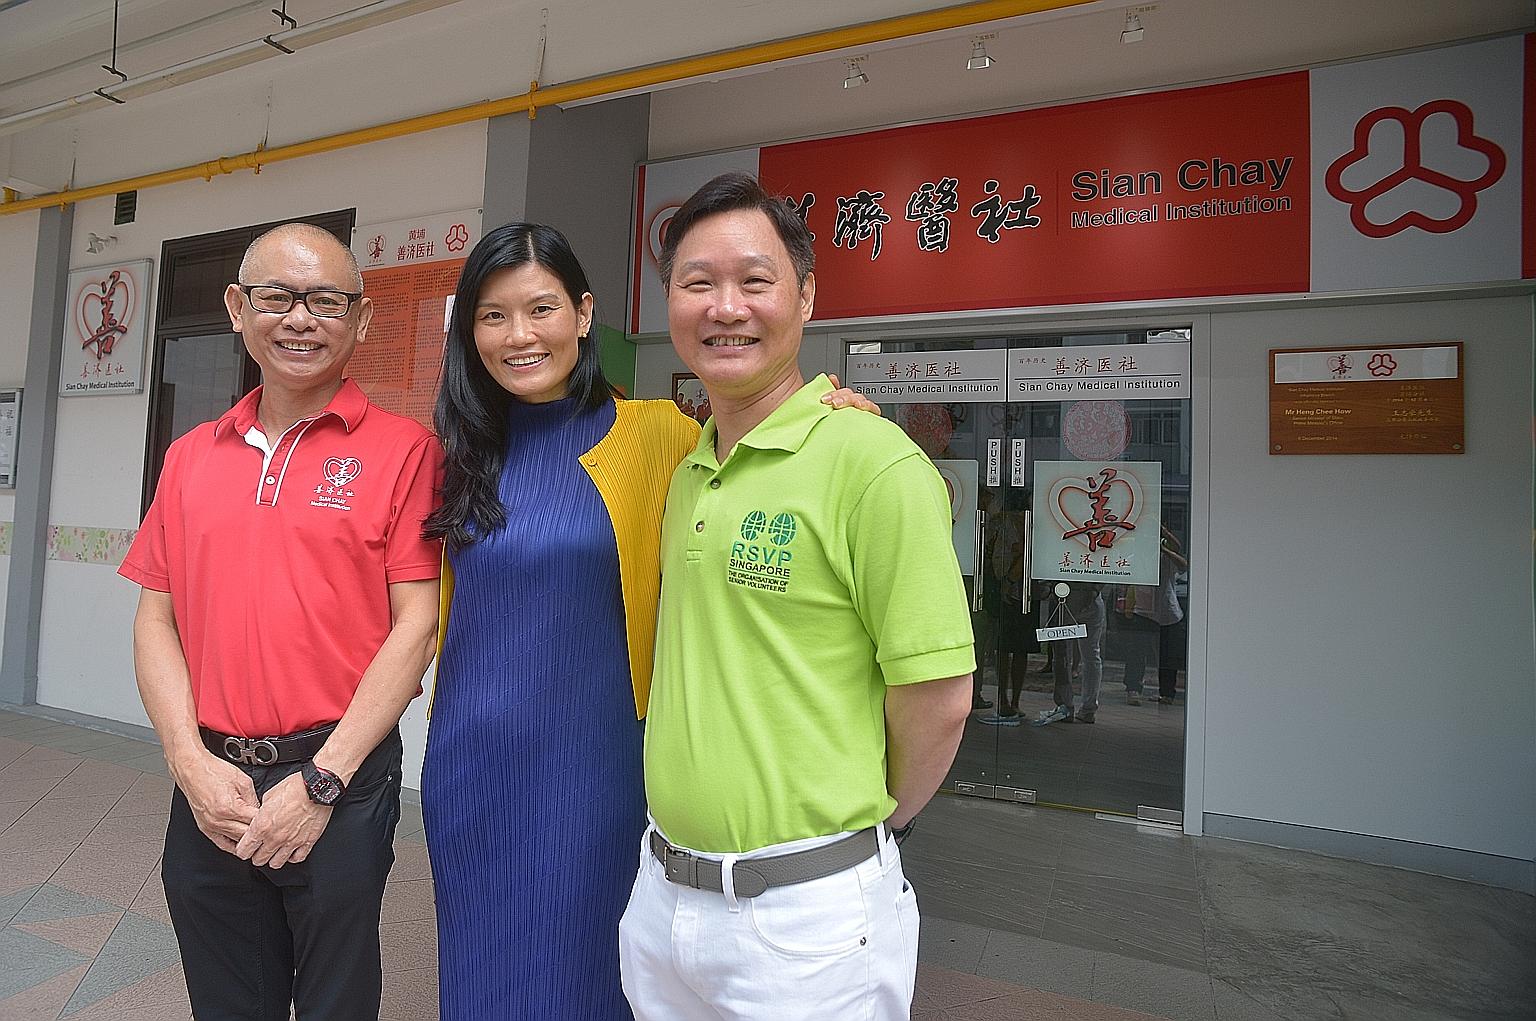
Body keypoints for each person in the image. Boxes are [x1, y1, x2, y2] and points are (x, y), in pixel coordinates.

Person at [420, 222, 879, 1020]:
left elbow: (776, 469)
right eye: (492, 316)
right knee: (481, 980)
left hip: (601, 775)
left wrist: (844, 422)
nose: (519, 335)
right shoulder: (450, 455)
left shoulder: (660, 436)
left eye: (541, 309)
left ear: (585, 313)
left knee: (601, 982)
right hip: (473, 774)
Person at [618, 172, 976, 1020]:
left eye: (754, 280)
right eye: (697, 283)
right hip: (664, 895)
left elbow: (939, 697)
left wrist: (863, 835)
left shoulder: (872, 462)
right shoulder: (687, 467)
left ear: (807, 296)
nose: (725, 306)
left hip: (808, 920)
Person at [119, 223, 443, 1020]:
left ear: (361, 320)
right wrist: (188, 763)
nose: (301, 319)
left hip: (338, 779)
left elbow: (418, 627)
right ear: (238, 308)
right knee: (227, 998)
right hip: (211, 782)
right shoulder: (191, 454)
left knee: (336, 999)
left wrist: (322, 779)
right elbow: (154, 617)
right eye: (278, 297)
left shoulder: (407, 452)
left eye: (326, 300)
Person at [1120, 524, 1188, 705]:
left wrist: (1164, 547)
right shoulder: (1133, 558)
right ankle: (1133, 689)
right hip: (1143, 611)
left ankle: (1167, 693)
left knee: (1168, 656)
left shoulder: (1165, 559)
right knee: (1136, 652)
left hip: (1168, 613)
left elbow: (1183, 564)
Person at [1033, 582, 1105, 725]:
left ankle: (1065, 706)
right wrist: (1095, 590)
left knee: (1062, 655)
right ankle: (1088, 708)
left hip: (1065, 597)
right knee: (1091, 656)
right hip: (1091, 597)